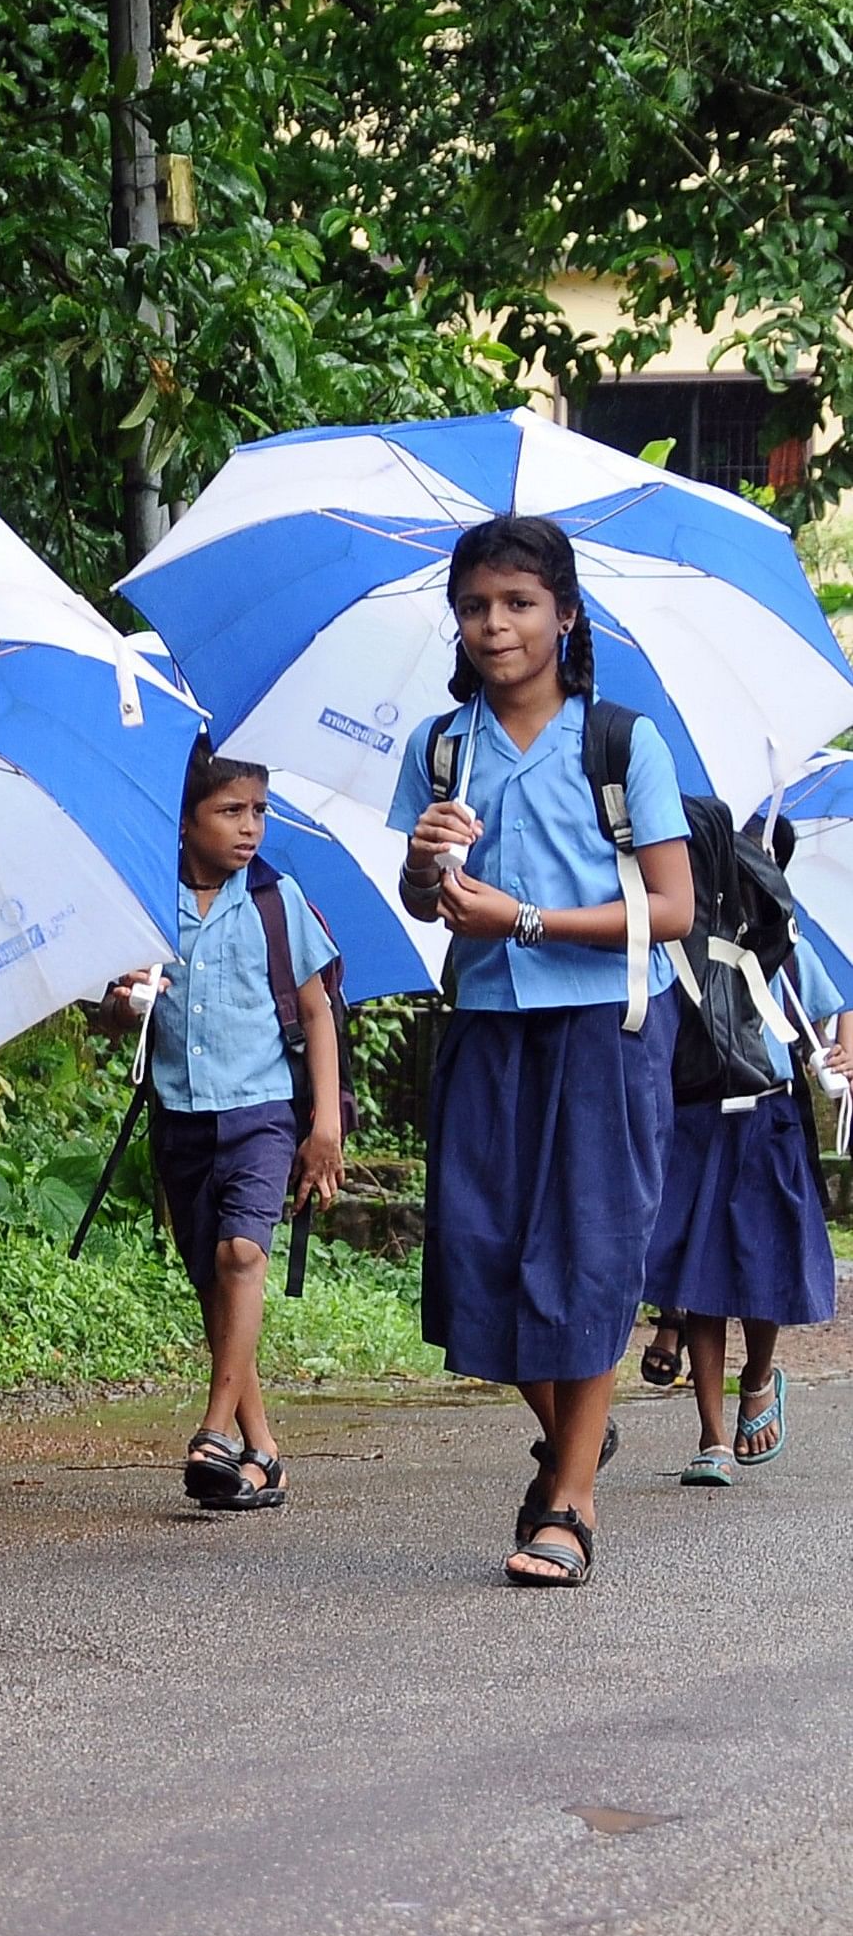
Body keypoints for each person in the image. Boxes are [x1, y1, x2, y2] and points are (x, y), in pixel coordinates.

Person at [390, 512, 693, 1588]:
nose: (494, 624)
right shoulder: (441, 747)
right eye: (474, 605)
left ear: (564, 615)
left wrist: (524, 918)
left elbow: (672, 907)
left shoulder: (621, 741)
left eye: (518, 603)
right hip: (483, 1028)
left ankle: (568, 1500)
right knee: (476, 1255)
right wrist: (427, 868)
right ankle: (576, 1425)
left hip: (600, 1029)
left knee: (583, 1246)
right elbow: (427, 907)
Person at [94, 744, 348, 1512]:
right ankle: (259, 1446)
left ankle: (212, 1429)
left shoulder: (275, 901)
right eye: (230, 811)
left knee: (242, 1253)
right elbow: (108, 1016)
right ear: (182, 821)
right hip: (178, 1113)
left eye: (258, 812)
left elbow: (315, 1012)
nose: (249, 828)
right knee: (211, 1278)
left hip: (261, 1110)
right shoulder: (143, 905)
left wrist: (325, 1120)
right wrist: (122, 1001)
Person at [646, 909, 848, 1485]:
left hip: (766, 1112)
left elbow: (834, 1004)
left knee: (761, 1264)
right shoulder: (673, 937)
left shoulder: (776, 937)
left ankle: (757, 1379)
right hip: (694, 1114)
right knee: (700, 1273)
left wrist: (842, 1053)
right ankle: (712, 1438)